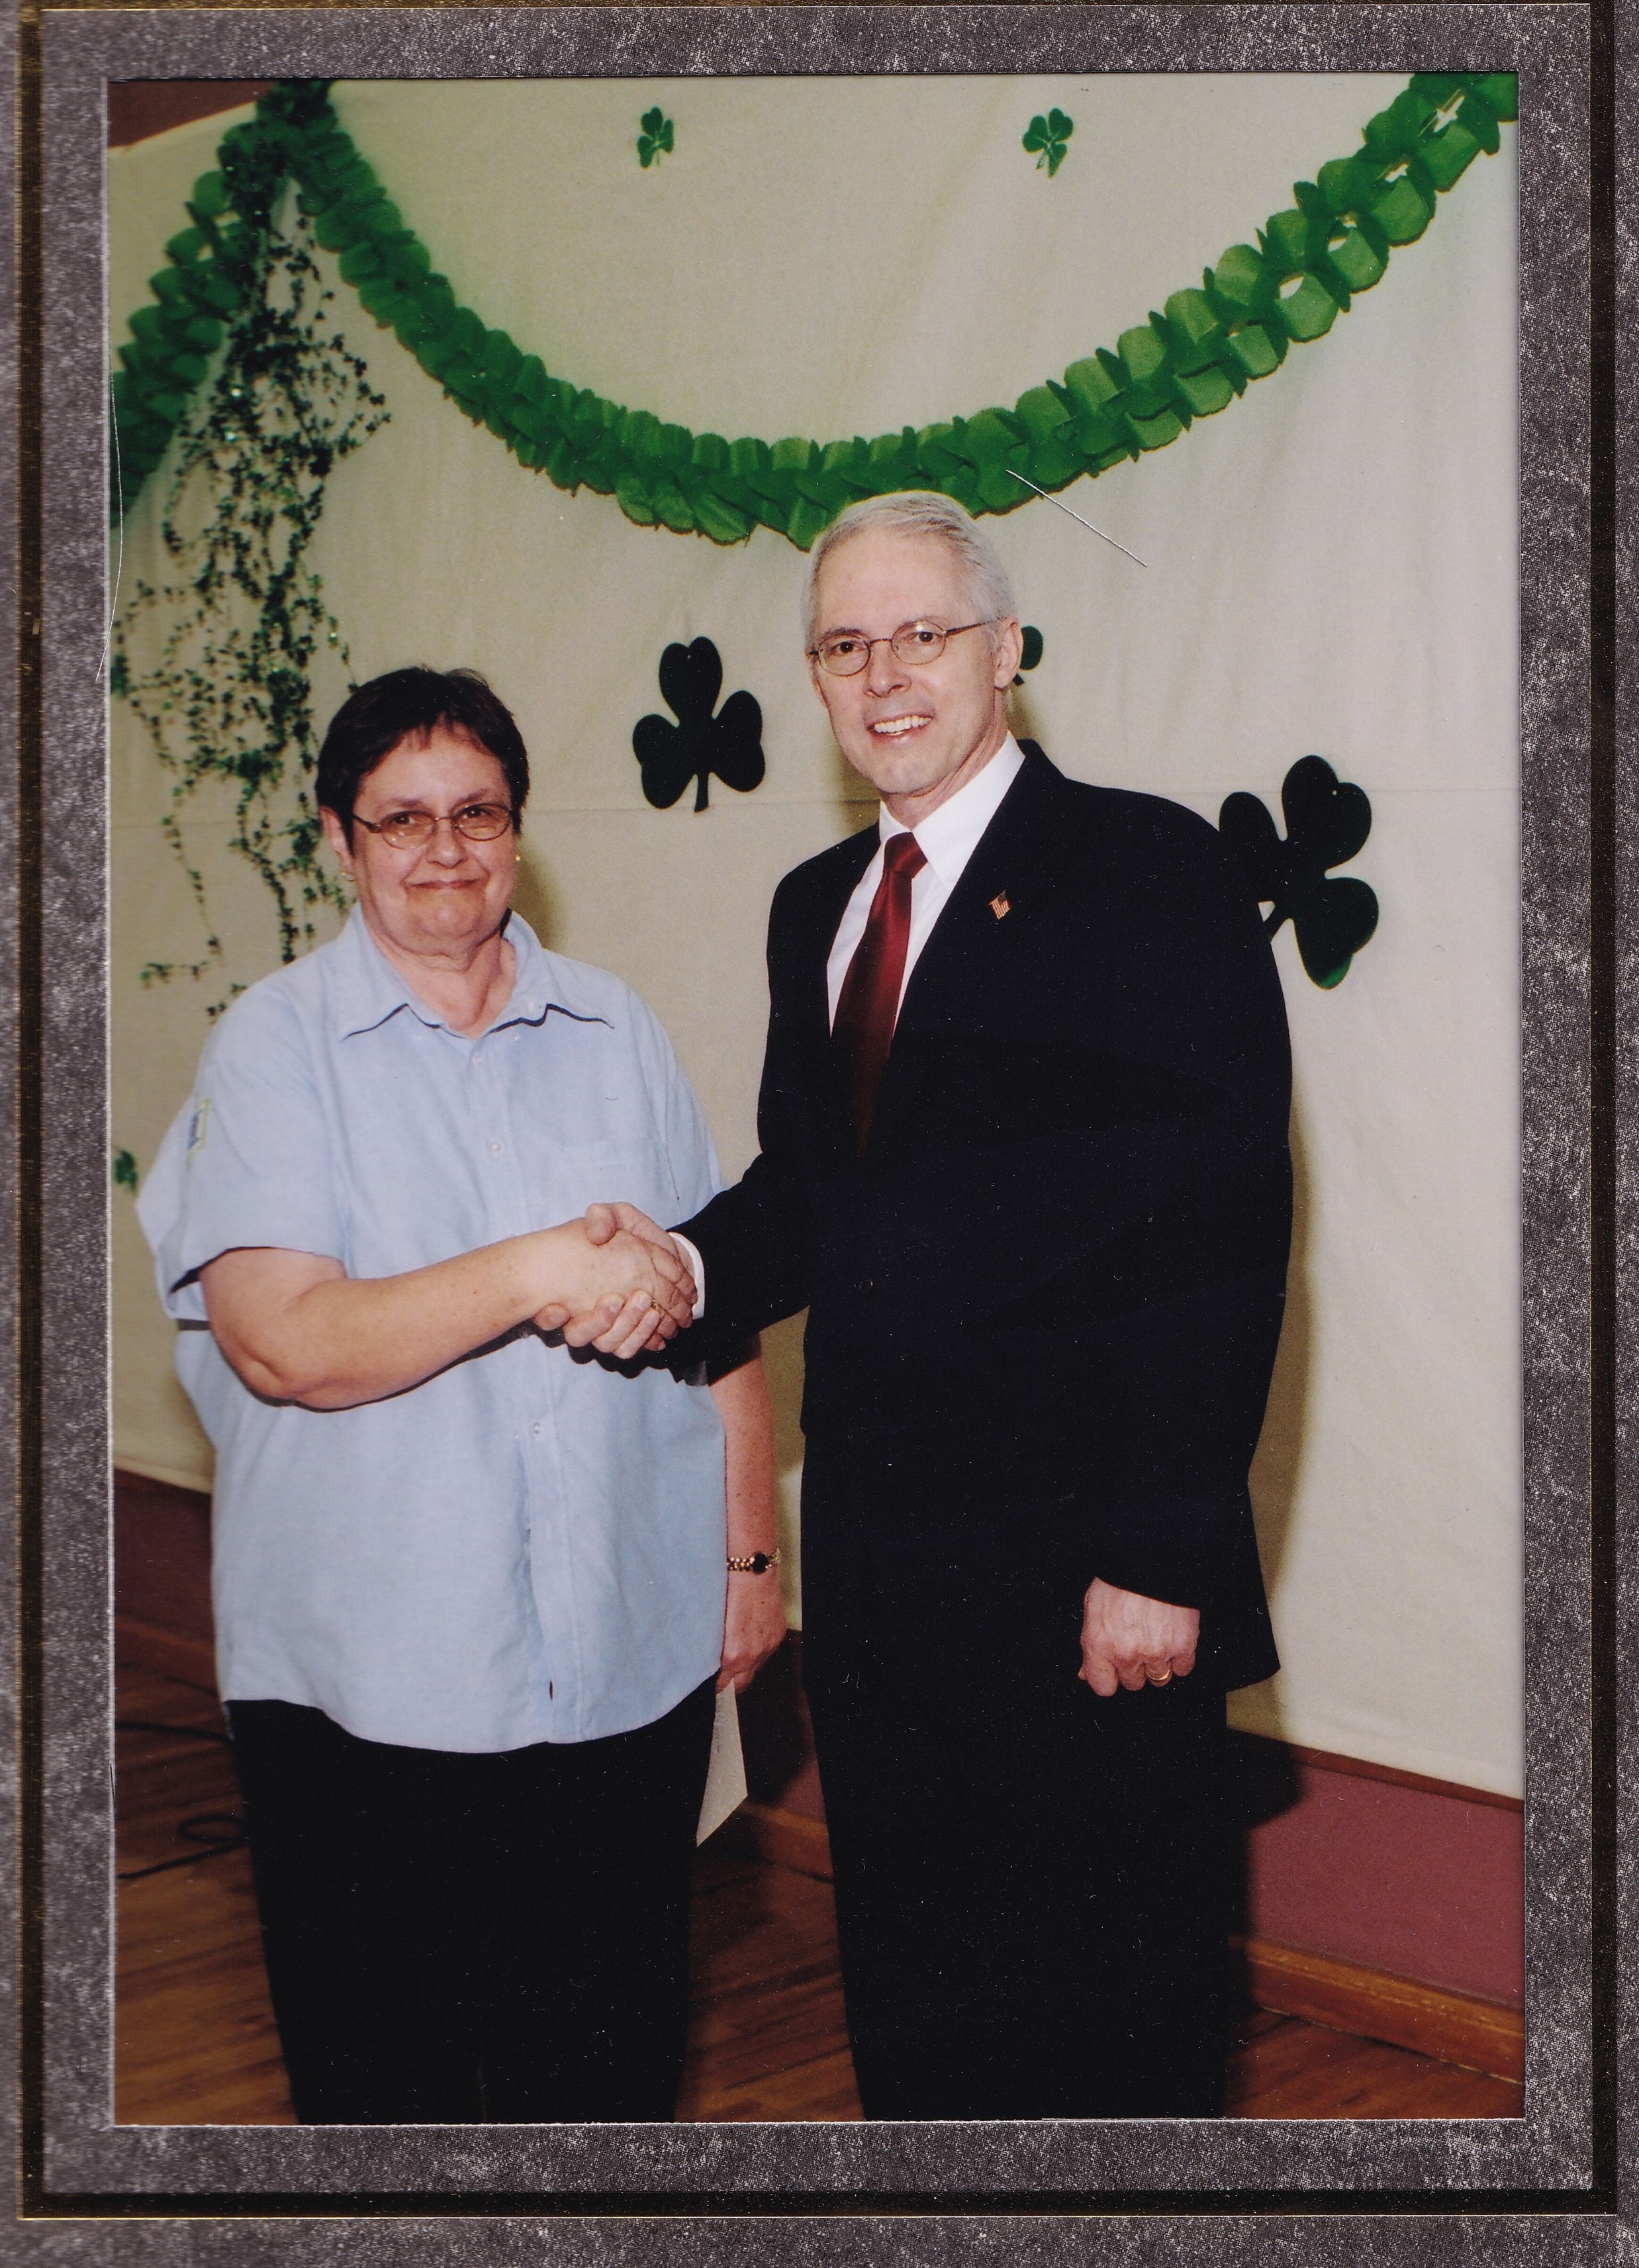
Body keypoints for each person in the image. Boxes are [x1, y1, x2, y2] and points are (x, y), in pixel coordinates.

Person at [570, 492, 1293, 2120]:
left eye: (921, 633)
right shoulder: (812, 905)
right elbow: (813, 1196)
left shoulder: (1144, 868)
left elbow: (1225, 1235)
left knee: (1114, 2038)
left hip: (1091, 1593)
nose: (882, 675)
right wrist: (672, 1266)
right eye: (843, 643)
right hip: (892, 1601)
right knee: (922, 2016)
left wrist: (1157, 1557)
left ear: (1006, 651)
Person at [137, 665, 786, 2124]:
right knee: (392, 2098)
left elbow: (714, 1308)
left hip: (625, 1658)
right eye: (402, 818)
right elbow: (283, 1342)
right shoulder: (275, 1046)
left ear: (518, 827)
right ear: (338, 838)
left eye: (476, 812)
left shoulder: (615, 1029)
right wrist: (539, 1266)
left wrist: (747, 1558)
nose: (445, 849)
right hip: (377, 1688)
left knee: (606, 2079)